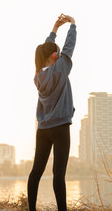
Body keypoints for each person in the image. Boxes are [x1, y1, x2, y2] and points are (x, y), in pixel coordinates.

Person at [28, 13, 77, 211]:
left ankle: (32, 209)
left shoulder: (38, 77)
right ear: (55, 56)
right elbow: (69, 47)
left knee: (36, 171)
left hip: (43, 129)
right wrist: (72, 25)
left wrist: (54, 30)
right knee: (59, 174)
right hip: (61, 128)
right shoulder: (61, 69)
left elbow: (44, 52)